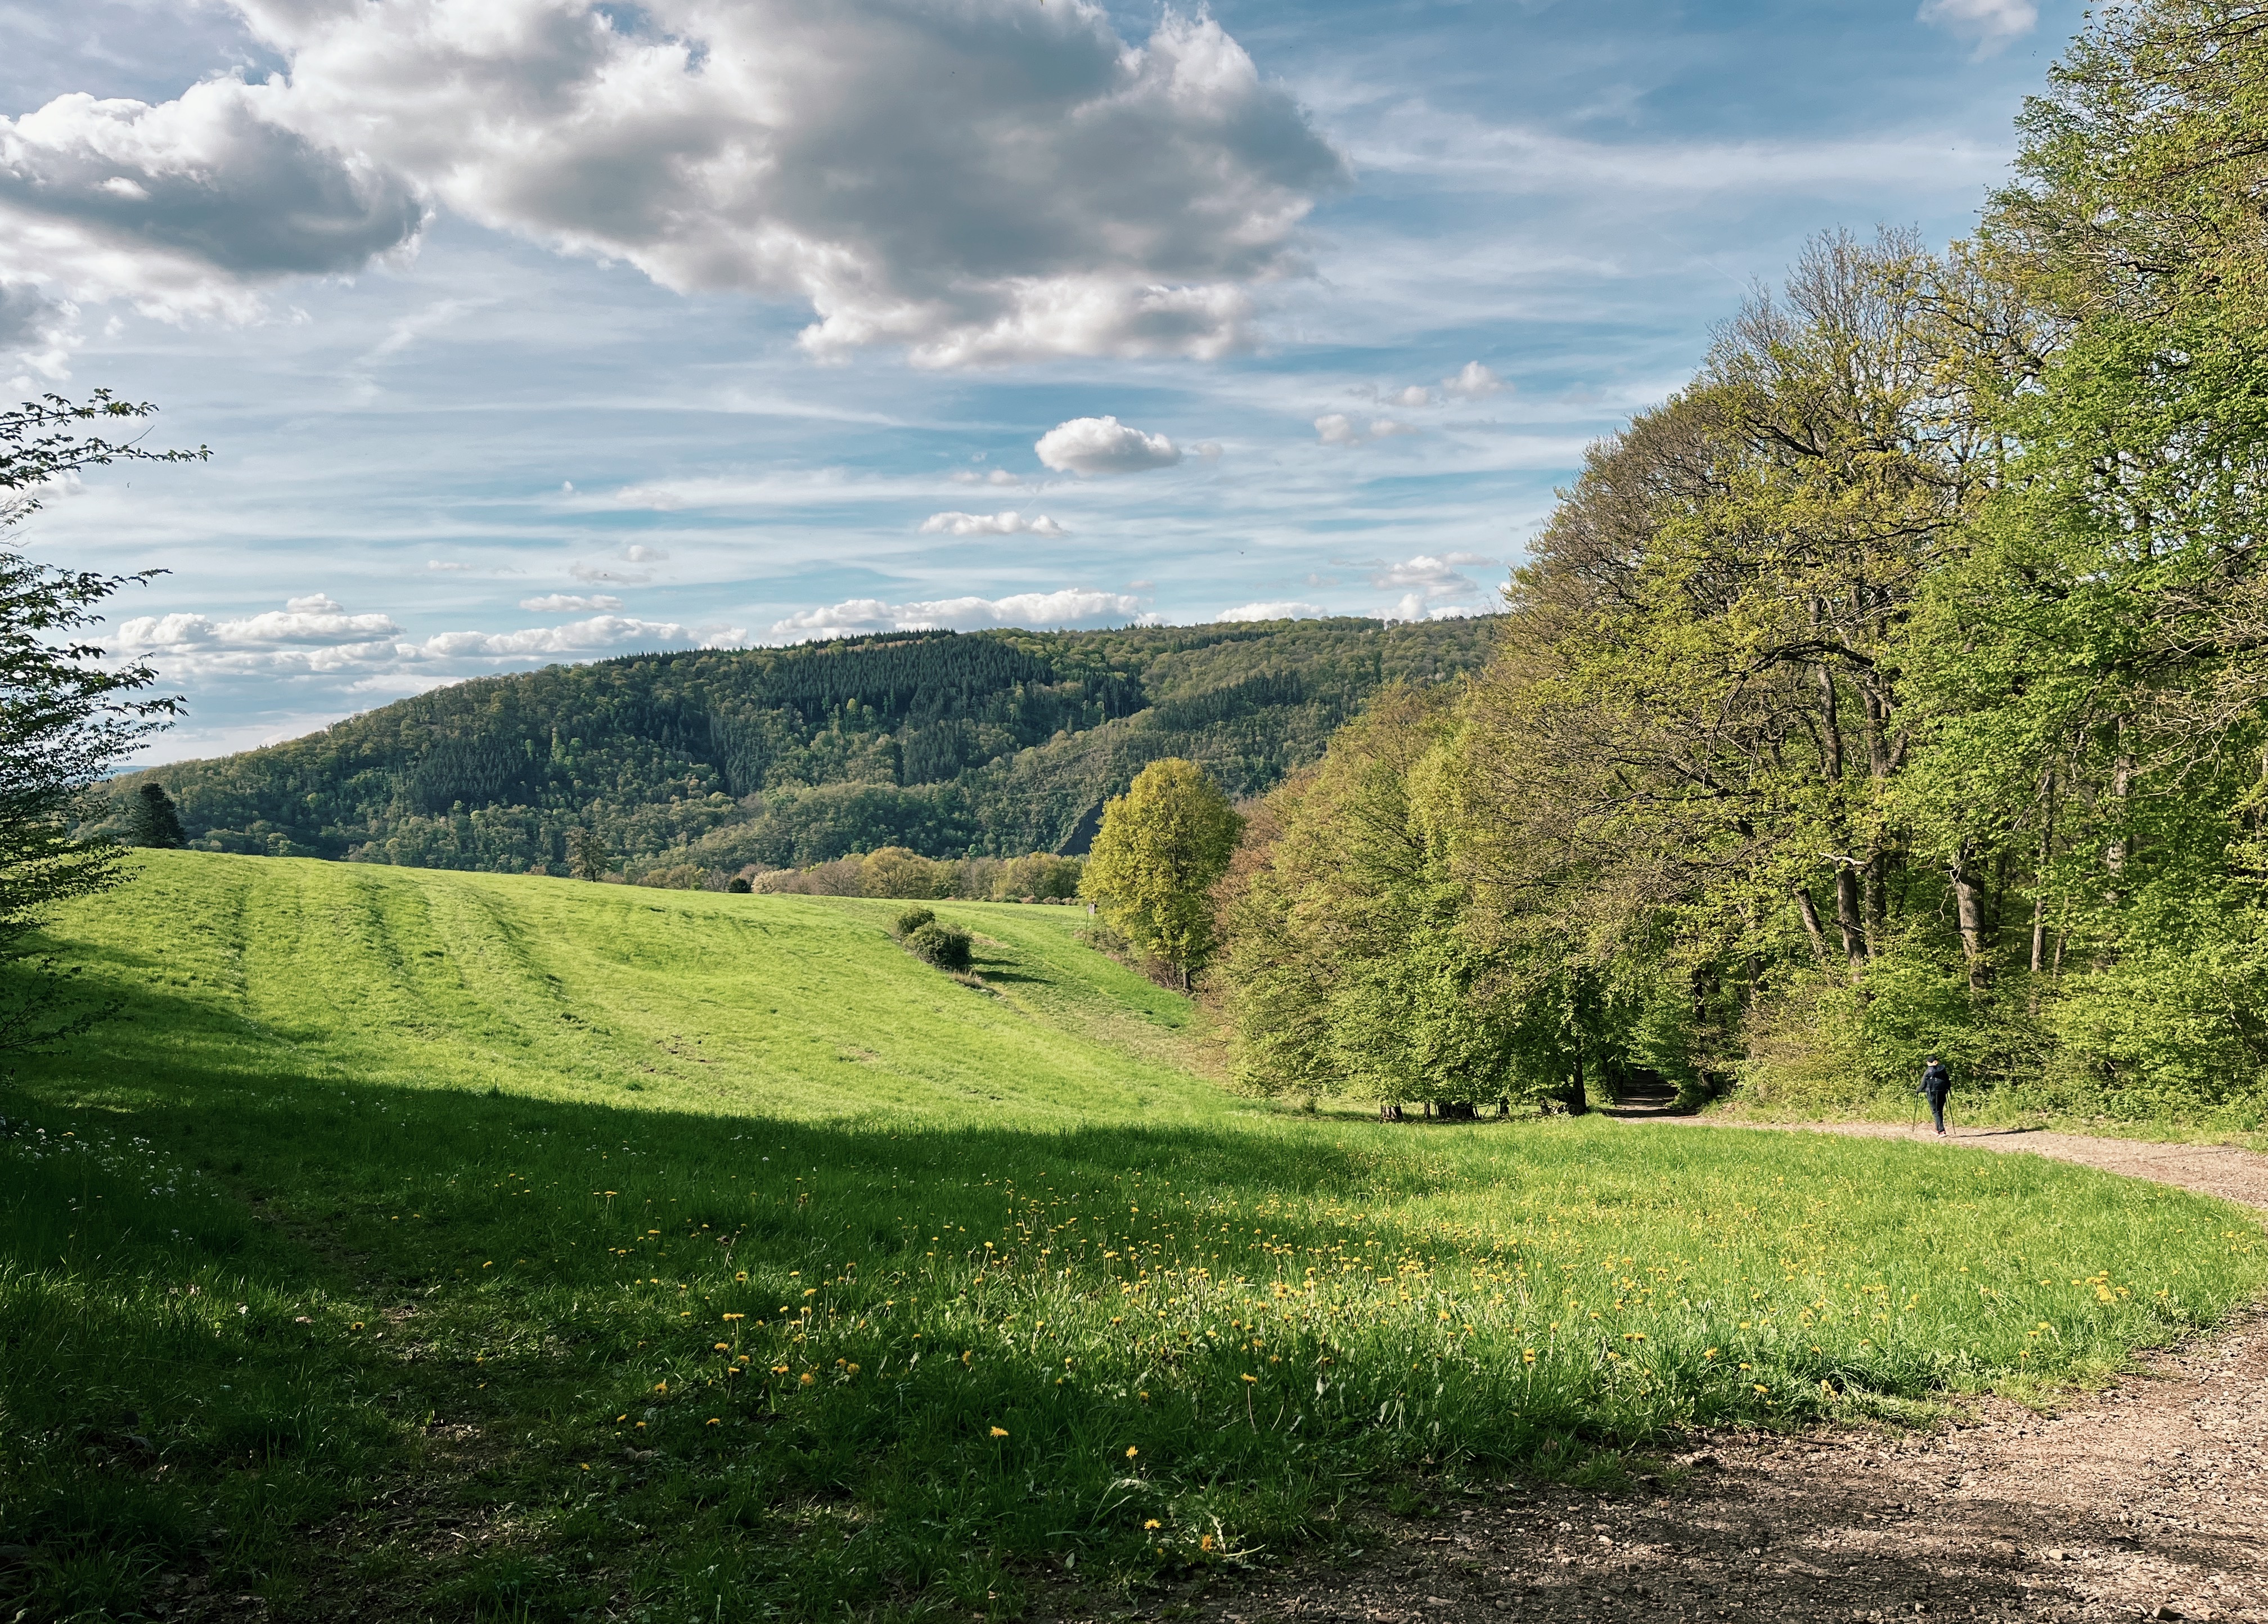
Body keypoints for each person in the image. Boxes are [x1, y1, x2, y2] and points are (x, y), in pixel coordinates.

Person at [1919, 1054, 1952, 1136]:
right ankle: (1938, 1129)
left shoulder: (1928, 1071)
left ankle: (1942, 1131)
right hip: (1942, 1092)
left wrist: (1918, 1091)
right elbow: (1948, 1081)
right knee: (1939, 1110)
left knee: (1935, 1112)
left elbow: (1923, 1084)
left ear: (1928, 1063)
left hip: (1932, 1093)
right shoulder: (1942, 1070)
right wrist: (1948, 1089)